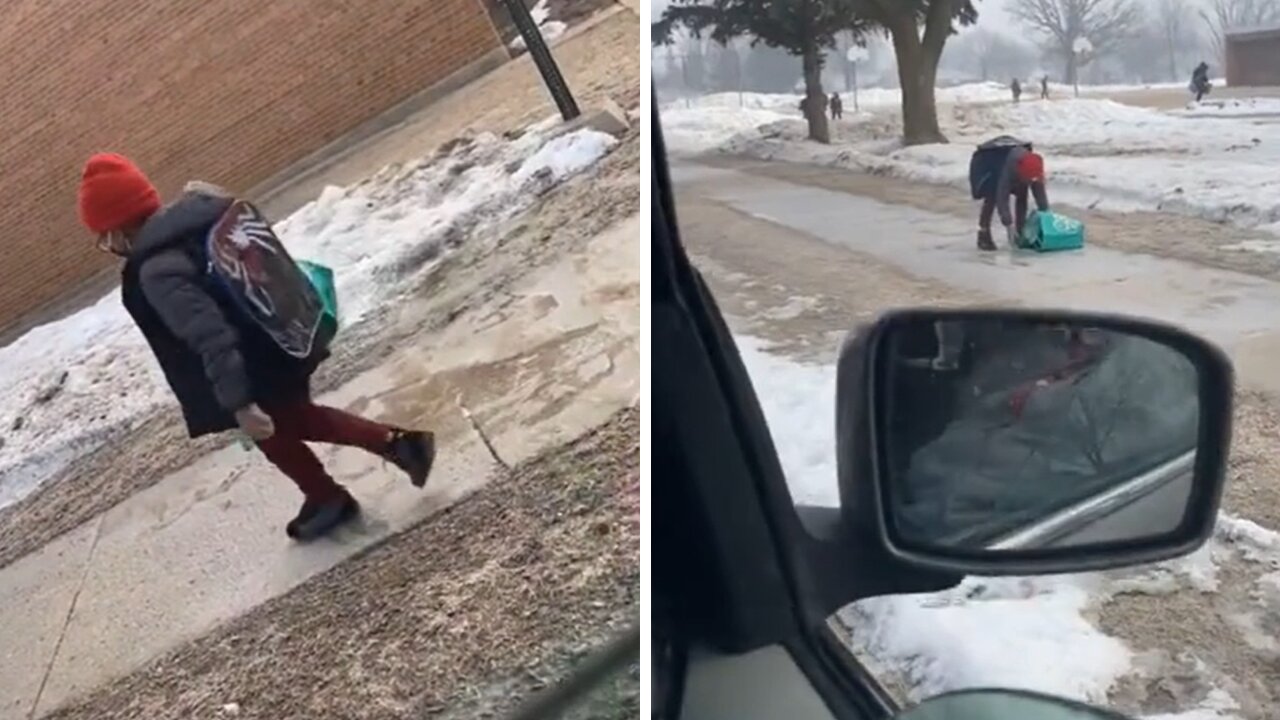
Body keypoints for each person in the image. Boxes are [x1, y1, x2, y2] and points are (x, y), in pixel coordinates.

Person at [76, 153, 437, 541]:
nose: (106, 245)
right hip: (276, 337)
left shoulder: (157, 269)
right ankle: (326, 493)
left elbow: (208, 334)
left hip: (251, 363)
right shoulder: (198, 220)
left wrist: (239, 401)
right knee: (275, 430)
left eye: (103, 236)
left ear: (118, 229)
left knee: (287, 421)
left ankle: (395, 448)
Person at [971, 139, 1050, 251]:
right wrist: (1008, 225)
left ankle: (1020, 232)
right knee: (991, 197)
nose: (1031, 182)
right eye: (1028, 179)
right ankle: (983, 233)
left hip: (1018, 166)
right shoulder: (1008, 169)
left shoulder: (1034, 166)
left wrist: (1047, 218)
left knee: (1022, 194)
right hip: (988, 166)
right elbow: (1002, 199)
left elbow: (1040, 194)